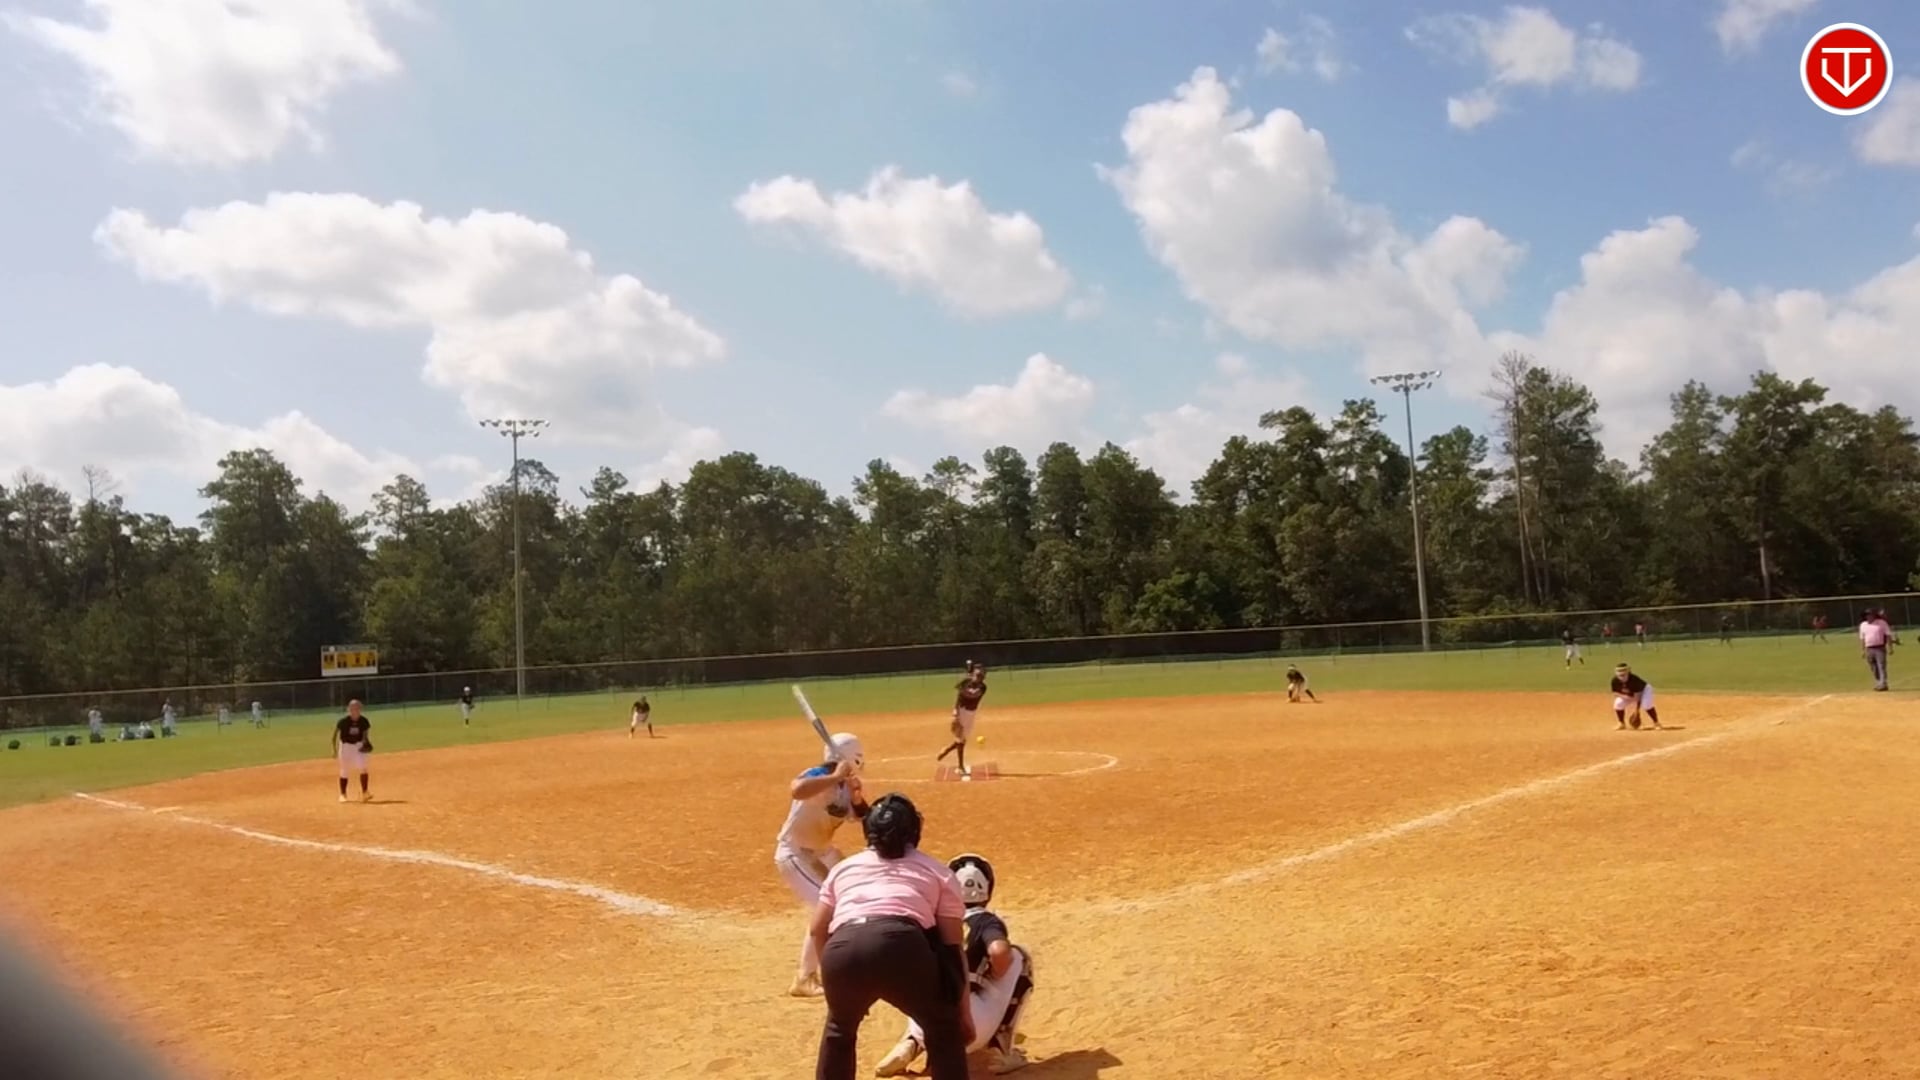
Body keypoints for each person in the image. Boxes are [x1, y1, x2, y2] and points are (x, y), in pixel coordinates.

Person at [810, 793, 971, 1080]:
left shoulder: (843, 869)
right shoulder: (938, 872)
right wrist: (962, 1012)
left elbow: (817, 929)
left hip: (842, 949)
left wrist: (837, 981)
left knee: (839, 1030)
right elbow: (952, 945)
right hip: (902, 947)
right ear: (914, 830)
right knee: (942, 1027)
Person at [876, 852, 1034, 1076]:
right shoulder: (985, 921)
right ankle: (1002, 1050)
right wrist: (990, 974)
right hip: (971, 1030)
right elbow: (999, 953)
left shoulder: (931, 917)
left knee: (925, 974)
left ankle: (911, 1041)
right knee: (1019, 957)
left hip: (926, 1023)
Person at [776, 731, 869, 997]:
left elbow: (864, 818)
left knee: (854, 893)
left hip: (821, 853)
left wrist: (857, 798)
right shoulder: (817, 774)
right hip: (795, 854)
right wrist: (835, 776)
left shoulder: (844, 787)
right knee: (827, 909)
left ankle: (853, 960)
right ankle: (804, 978)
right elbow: (797, 789)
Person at [937, 665, 988, 778]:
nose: (979, 677)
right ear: (973, 674)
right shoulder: (966, 682)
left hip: (972, 714)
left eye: (981, 676)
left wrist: (967, 682)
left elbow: (972, 695)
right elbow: (959, 695)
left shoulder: (983, 688)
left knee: (963, 740)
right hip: (962, 711)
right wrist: (955, 710)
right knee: (961, 739)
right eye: (977, 675)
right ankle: (960, 766)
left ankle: (947, 749)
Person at [332, 700, 374, 803]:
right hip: (345, 746)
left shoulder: (364, 721)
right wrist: (334, 750)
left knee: (363, 768)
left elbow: (365, 735)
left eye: (358, 708)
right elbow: (334, 736)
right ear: (349, 709)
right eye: (353, 708)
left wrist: (365, 743)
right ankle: (343, 794)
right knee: (344, 770)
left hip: (358, 746)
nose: (355, 710)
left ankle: (365, 792)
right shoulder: (343, 722)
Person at [1609, 663, 1661, 730]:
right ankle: (1621, 723)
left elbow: (1638, 697)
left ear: (1628, 672)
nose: (1622, 675)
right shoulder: (1615, 680)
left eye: (1623, 673)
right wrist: (1625, 696)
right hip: (1630, 695)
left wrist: (1637, 711)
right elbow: (1615, 693)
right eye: (1620, 673)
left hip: (1645, 691)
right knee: (1618, 704)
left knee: (1646, 705)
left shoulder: (1634, 680)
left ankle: (1656, 723)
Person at [1860, 608, 1894, 692]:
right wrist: (1863, 650)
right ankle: (1879, 682)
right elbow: (1862, 638)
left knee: (1881, 666)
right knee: (1873, 667)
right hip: (1869, 648)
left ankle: (1883, 684)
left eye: (1871, 614)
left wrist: (1890, 647)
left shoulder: (1881, 623)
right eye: (1868, 615)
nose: (1869, 616)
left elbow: (1888, 635)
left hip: (1880, 648)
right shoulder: (1863, 625)